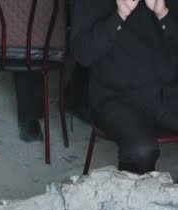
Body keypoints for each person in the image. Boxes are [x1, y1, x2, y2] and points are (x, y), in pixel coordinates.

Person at [72, 0, 178, 174]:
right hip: (116, 98)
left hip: (168, 92)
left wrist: (163, 13)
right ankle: (134, 199)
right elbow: (83, 53)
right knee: (141, 151)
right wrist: (119, 15)